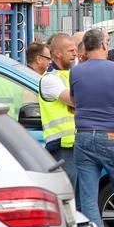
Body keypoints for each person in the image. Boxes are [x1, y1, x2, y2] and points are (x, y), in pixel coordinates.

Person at [70, 27, 114, 227]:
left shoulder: (76, 71)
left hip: (84, 137)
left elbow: (75, 101)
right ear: (104, 45)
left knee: (88, 197)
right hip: (113, 137)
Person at [38, 33, 78, 194]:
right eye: (70, 50)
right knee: (69, 196)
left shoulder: (73, 74)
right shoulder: (50, 79)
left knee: (82, 199)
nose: (75, 53)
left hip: (79, 144)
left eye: (75, 50)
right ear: (57, 53)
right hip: (62, 146)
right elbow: (75, 100)